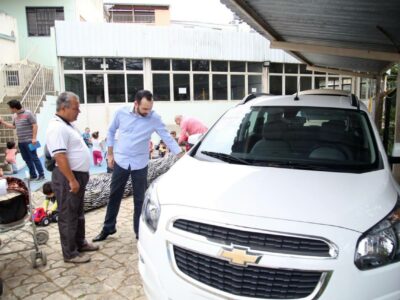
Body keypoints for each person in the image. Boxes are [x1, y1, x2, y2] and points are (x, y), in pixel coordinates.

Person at [93, 90, 184, 242]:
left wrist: (180, 155)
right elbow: (110, 131)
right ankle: (108, 227)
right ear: (135, 104)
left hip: (140, 164)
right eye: (144, 109)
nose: (148, 112)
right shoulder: (121, 112)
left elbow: (166, 136)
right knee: (114, 194)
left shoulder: (154, 118)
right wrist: (109, 154)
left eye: (150, 108)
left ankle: (138, 231)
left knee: (140, 199)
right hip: (121, 161)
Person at [46, 91, 99, 263]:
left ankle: (80, 242)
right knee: (68, 214)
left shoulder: (67, 125)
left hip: (77, 175)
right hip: (67, 176)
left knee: (78, 212)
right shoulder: (57, 127)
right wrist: (72, 180)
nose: (79, 111)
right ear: (63, 107)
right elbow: (60, 157)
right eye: (76, 108)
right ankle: (70, 253)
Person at [0, 99, 45, 181]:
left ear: (14, 108)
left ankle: (41, 175)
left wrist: (34, 138)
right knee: (26, 159)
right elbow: (13, 126)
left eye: (10, 108)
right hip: (21, 142)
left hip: (30, 141)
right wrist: (3, 122)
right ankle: (33, 175)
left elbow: (35, 125)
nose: (10, 110)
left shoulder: (28, 113)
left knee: (34, 158)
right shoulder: (15, 116)